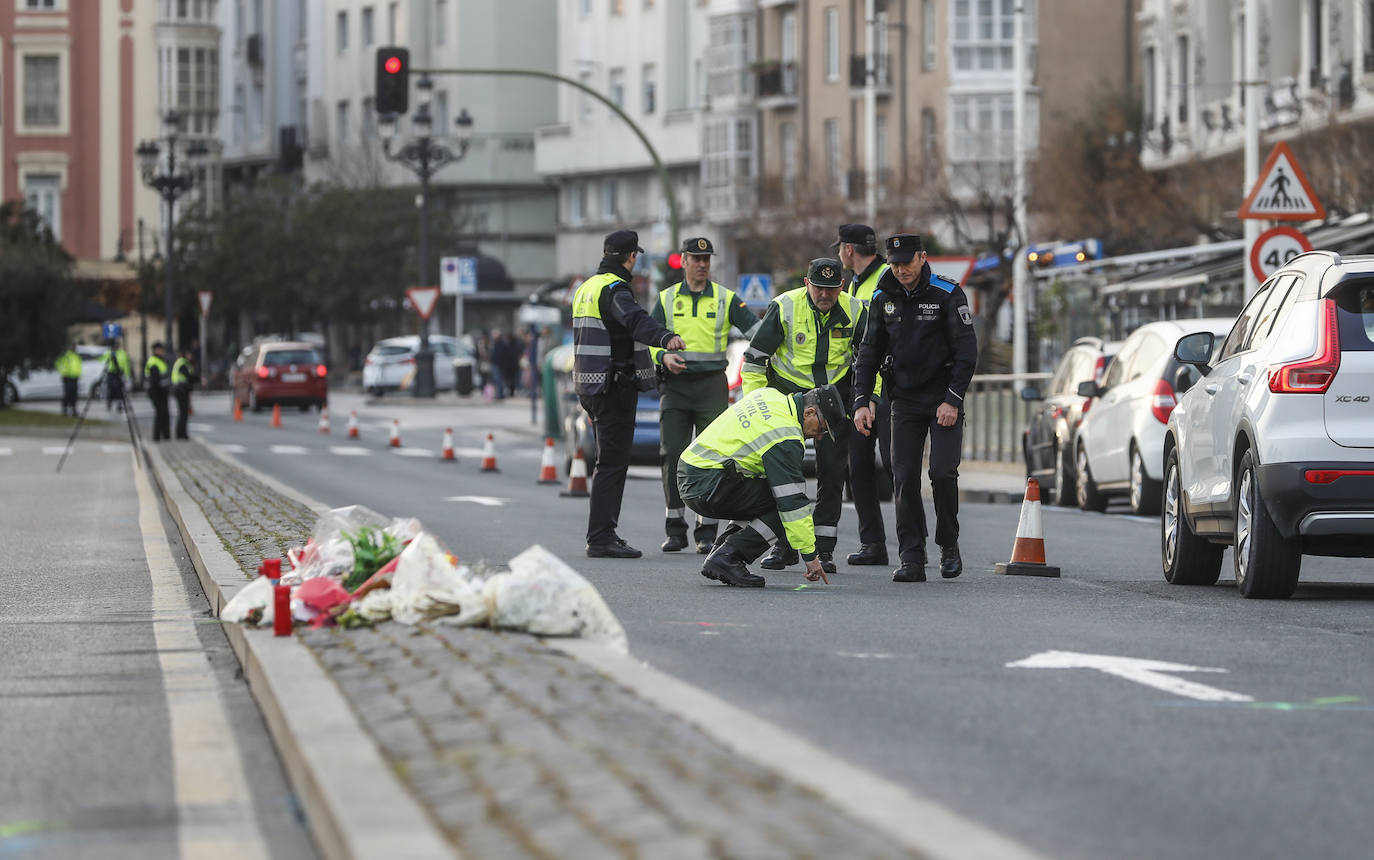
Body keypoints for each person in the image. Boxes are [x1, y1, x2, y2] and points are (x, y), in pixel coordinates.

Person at [853, 234, 978, 582]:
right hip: (902, 401)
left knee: (941, 473)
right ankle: (912, 556)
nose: (901, 269)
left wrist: (953, 399)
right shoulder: (882, 296)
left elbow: (967, 353)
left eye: (907, 262)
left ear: (922, 257)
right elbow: (868, 353)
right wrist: (862, 401)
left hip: (943, 399)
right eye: (894, 263)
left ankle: (948, 545)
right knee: (903, 476)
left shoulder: (947, 294)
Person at [741, 257, 867, 576]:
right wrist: (758, 405)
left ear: (841, 286)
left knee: (832, 474)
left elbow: (871, 360)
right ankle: (784, 546)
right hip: (789, 402)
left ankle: (823, 551)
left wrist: (868, 399)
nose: (824, 295)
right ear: (806, 285)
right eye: (818, 288)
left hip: (833, 403)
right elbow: (755, 362)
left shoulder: (855, 310)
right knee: (785, 475)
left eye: (831, 289)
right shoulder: (784, 307)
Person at [572, 229, 686, 558]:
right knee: (612, 463)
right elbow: (635, 320)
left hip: (590, 385)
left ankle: (602, 534)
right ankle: (602, 537)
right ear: (631, 257)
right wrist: (665, 338)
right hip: (613, 387)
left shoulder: (586, 288)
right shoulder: (615, 289)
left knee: (606, 462)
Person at [650, 236, 761, 554]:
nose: (702, 265)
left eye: (706, 260)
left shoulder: (727, 299)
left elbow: (757, 332)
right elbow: (650, 337)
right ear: (683, 261)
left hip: (712, 385)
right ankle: (675, 528)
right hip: (676, 386)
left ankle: (706, 530)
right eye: (695, 259)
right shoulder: (667, 298)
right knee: (672, 452)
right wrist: (662, 356)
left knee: (712, 457)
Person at [679, 384, 848, 587]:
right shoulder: (786, 435)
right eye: (821, 428)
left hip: (693, 469)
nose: (819, 436)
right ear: (809, 412)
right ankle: (729, 557)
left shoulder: (769, 395)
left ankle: (721, 553)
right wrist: (811, 557)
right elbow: (792, 503)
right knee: (785, 505)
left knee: (767, 496)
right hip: (707, 482)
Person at [834, 224, 892, 566]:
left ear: (848, 250)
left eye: (841, 247)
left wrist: (874, 395)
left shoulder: (886, 278)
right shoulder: (856, 283)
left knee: (898, 468)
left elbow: (885, 345)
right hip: (861, 392)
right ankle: (874, 544)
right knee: (858, 467)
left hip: (884, 392)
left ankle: (914, 545)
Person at [145, 342, 171, 442]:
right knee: (160, 413)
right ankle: (157, 436)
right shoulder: (153, 362)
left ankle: (164, 434)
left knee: (164, 413)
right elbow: (155, 381)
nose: (163, 351)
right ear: (156, 350)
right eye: (161, 349)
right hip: (156, 392)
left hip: (162, 392)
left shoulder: (160, 360)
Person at [171, 347, 198, 440]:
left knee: (182, 413)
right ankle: (181, 434)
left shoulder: (182, 363)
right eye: (189, 354)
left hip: (181, 390)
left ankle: (181, 433)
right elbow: (189, 376)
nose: (191, 356)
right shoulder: (183, 363)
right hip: (181, 390)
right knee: (183, 413)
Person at [102, 339, 131, 412]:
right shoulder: (109, 353)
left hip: (119, 373)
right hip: (111, 373)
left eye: (117, 344)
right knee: (110, 389)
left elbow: (126, 364)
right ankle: (109, 403)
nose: (116, 346)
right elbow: (102, 360)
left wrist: (127, 374)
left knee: (119, 389)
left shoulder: (123, 353)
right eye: (115, 345)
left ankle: (119, 404)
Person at [55, 342, 83, 417]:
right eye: (73, 347)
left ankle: (74, 410)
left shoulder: (77, 356)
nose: (74, 348)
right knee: (68, 394)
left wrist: (79, 374)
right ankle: (65, 408)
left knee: (74, 394)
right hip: (68, 377)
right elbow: (58, 363)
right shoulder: (66, 355)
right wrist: (63, 372)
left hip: (75, 377)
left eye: (75, 347)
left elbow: (78, 366)